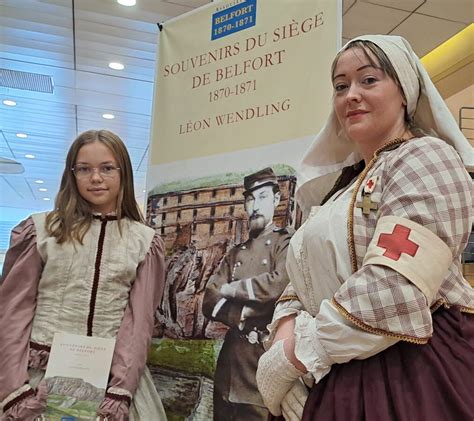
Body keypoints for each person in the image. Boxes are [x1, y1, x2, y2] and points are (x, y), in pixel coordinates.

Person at [256, 35, 474, 421]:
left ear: (404, 91)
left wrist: (297, 355)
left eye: (368, 80)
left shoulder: (427, 157)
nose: (351, 95)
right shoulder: (339, 191)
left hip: (414, 369)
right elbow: (300, 278)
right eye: (341, 86)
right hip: (336, 370)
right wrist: (285, 339)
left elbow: (396, 284)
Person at [0, 130, 167, 421]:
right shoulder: (42, 231)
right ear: (72, 174)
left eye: (106, 168)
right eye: (84, 169)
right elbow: (12, 314)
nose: (96, 178)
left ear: (123, 172)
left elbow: (139, 323)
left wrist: (120, 391)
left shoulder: (144, 242)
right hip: (37, 380)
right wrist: (14, 390)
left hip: (111, 382)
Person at [202, 167, 294, 421]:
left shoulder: (285, 242)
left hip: (261, 358)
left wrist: (233, 289)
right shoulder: (235, 253)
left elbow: (278, 284)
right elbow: (209, 299)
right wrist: (242, 315)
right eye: (250, 199)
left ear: (276, 200)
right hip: (231, 360)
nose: (255, 206)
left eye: (262, 197)